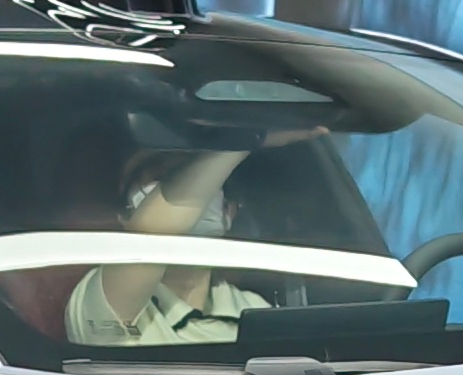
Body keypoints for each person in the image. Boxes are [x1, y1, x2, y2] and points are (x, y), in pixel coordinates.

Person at [65, 131, 320, 348]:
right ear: (127, 215)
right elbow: (153, 236)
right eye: (160, 178)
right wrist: (245, 140)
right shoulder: (102, 299)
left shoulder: (255, 309)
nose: (191, 194)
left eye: (201, 183)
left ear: (228, 213)